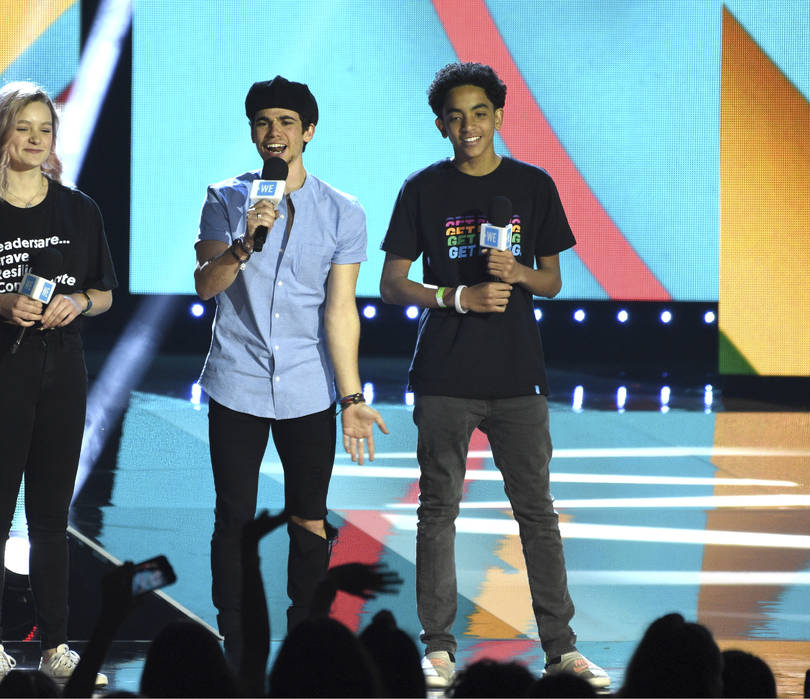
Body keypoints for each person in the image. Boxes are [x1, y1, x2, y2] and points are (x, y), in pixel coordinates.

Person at [378, 62, 609, 691]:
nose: (469, 125)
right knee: (438, 510)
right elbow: (392, 283)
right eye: (455, 116)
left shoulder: (533, 187)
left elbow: (553, 281)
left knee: (537, 513)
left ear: (499, 116)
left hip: (517, 376)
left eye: (480, 112)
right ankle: (439, 647)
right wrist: (458, 298)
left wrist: (516, 274)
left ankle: (560, 650)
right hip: (445, 375)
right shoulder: (422, 188)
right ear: (440, 125)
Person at [193, 75, 388, 666]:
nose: (273, 133)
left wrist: (351, 395)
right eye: (262, 123)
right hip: (237, 376)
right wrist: (242, 246)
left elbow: (339, 308)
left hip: (308, 383)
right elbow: (205, 286)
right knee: (234, 513)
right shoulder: (226, 198)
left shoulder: (342, 211)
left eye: (285, 122)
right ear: (251, 133)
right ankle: (237, 638)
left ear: (308, 131)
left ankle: (307, 637)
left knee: (308, 513)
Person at [0, 81, 117, 690]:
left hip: (62, 372)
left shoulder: (80, 210)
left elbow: (106, 293)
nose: (37, 140)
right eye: (24, 128)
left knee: (50, 519)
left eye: (45, 129)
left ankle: (58, 645)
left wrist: (79, 302)